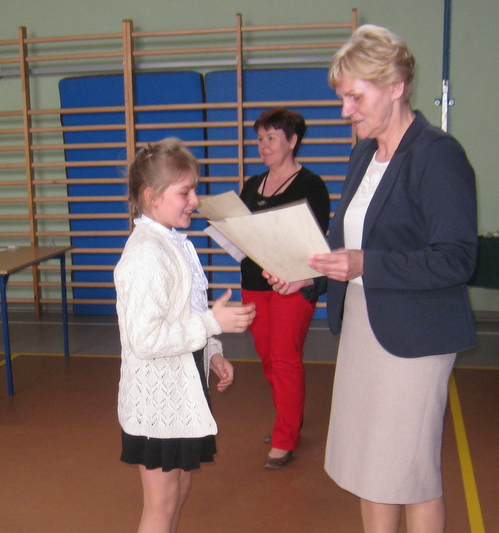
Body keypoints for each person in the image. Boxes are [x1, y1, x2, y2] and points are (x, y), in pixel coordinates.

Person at [267, 25, 477, 533]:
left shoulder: (437, 155)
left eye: (355, 97)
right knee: (370, 467)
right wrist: (306, 276)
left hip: (415, 336)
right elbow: (348, 243)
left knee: (410, 472)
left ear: (396, 87)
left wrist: (367, 265)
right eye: (343, 98)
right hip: (363, 326)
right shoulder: (363, 153)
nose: (346, 111)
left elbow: (457, 259)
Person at [114, 138, 256, 533]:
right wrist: (212, 324)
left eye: (194, 190)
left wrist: (213, 350)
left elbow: (188, 312)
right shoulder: (145, 254)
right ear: (152, 197)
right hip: (156, 402)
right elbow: (146, 339)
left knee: (180, 488)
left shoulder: (173, 242)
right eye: (185, 192)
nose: (195, 200)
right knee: (160, 503)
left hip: (182, 392)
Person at [239, 107, 331, 469]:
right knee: (268, 358)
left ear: (292, 141)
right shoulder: (251, 185)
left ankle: (285, 438)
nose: (263, 145)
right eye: (260, 138)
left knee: (284, 358)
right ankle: (287, 418)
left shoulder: (311, 185)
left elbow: (313, 242)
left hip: (292, 285)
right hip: (253, 283)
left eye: (271, 138)